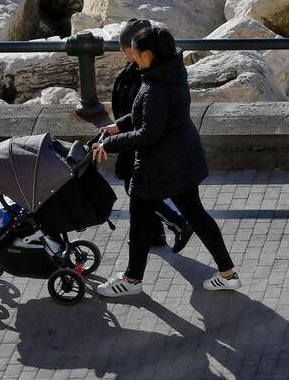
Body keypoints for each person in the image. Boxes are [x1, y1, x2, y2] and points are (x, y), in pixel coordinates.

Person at [92, 27, 242, 296]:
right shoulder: (171, 72)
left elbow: (149, 133)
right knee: (196, 214)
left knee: (139, 221)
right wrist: (120, 125)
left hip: (159, 165)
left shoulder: (155, 87)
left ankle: (131, 280)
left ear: (147, 54)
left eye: (136, 54)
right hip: (183, 156)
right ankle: (227, 273)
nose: (133, 58)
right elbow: (149, 116)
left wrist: (109, 143)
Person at [110, 19, 193, 252]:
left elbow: (144, 121)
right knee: (140, 192)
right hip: (137, 142)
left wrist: (115, 139)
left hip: (142, 146)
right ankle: (154, 233)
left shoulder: (148, 79)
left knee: (137, 190)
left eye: (125, 47)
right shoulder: (139, 73)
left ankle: (176, 222)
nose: (122, 52)